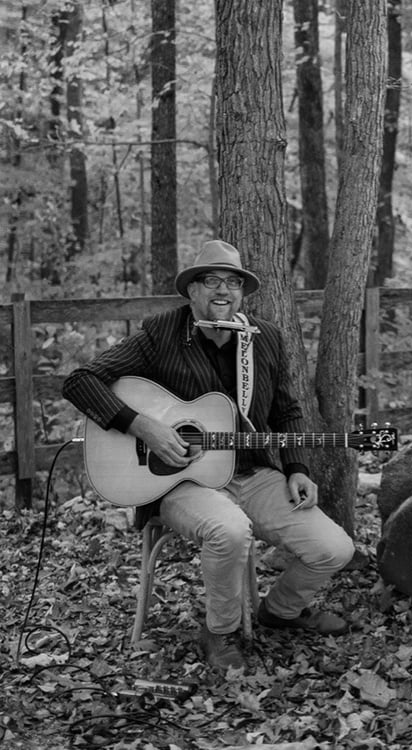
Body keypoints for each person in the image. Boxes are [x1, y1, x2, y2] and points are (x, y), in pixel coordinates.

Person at [63, 240, 355, 671]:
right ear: (192, 290)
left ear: (242, 292)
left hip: (251, 473)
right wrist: (143, 427)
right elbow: (80, 381)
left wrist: (296, 467)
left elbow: (287, 411)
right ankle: (220, 631)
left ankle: (281, 611)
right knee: (229, 530)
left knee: (335, 548)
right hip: (180, 481)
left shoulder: (264, 339)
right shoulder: (161, 333)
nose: (224, 290)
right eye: (212, 280)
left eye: (233, 282)